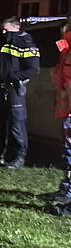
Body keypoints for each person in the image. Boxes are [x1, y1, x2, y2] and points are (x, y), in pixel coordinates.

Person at [0, 17, 40, 169]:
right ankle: (1, 155)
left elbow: (33, 69)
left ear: (16, 28)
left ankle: (19, 157)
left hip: (15, 89)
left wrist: (14, 77)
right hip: (1, 88)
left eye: (6, 29)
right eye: (2, 29)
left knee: (16, 124)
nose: (3, 32)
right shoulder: (3, 43)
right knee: (0, 123)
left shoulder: (25, 44)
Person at [50, 23, 71, 210]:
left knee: (70, 152)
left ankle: (68, 191)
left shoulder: (67, 49)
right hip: (67, 109)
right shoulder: (65, 47)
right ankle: (66, 189)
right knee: (68, 152)